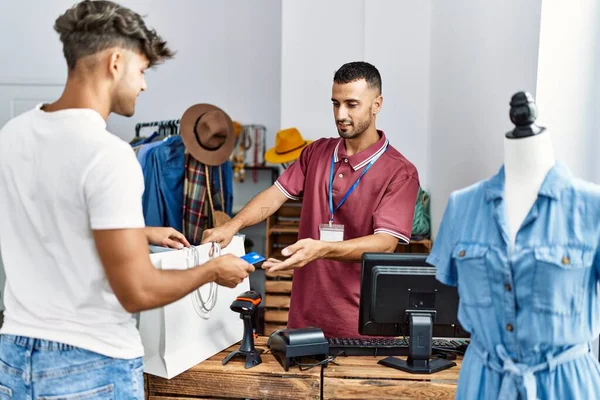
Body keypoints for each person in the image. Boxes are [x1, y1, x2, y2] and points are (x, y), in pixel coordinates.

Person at [0, 1, 253, 398]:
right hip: (91, 364)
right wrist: (212, 271)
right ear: (115, 62)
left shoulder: (12, 136)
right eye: (142, 70)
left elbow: (54, 217)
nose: (144, 84)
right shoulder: (108, 154)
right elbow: (137, 290)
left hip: (14, 356)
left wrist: (143, 231)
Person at [203, 61, 420, 338]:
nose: (341, 114)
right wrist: (233, 225)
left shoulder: (400, 172)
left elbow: (385, 243)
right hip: (304, 322)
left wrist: (321, 249)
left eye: (352, 104)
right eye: (335, 103)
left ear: (377, 104)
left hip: (361, 329)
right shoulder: (316, 152)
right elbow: (274, 195)